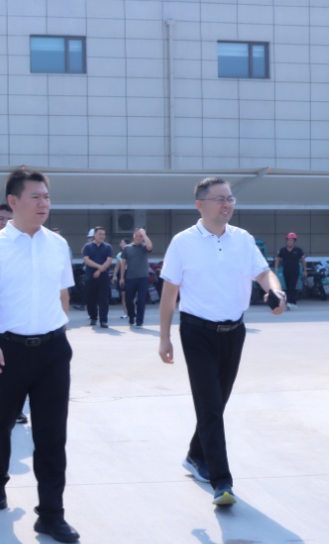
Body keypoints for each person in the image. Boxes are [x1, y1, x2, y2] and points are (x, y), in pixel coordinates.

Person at [159, 177, 285, 506]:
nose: (226, 204)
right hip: (196, 332)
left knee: (216, 404)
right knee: (211, 407)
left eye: (230, 198)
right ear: (200, 205)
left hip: (234, 332)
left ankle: (194, 455)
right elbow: (169, 294)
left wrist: (276, 290)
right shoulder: (183, 242)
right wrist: (164, 338)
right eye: (219, 199)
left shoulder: (243, 239)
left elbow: (263, 273)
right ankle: (222, 482)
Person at [0, 168, 79, 543]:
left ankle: (51, 513)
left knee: (52, 433)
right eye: (35, 196)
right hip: (7, 349)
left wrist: (60, 333)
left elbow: (63, 294)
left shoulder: (57, 245)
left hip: (52, 351)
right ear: (13, 201)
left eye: (46, 196)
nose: (43, 203)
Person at [82, 227, 113, 328]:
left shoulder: (108, 247)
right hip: (90, 277)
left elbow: (109, 260)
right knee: (90, 299)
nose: (102, 236)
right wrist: (99, 267)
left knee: (104, 299)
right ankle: (93, 317)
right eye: (100, 234)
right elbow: (86, 260)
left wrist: (100, 270)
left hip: (104, 277)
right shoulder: (88, 246)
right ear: (94, 235)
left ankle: (103, 320)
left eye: (103, 234)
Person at [122, 229, 153, 327]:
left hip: (143, 278)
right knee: (128, 300)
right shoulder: (127, 248)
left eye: (141, 236)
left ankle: (140, 321)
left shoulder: (144, 247)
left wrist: (144, 234)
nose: (138, 238)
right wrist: (122, 277)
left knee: (141, 300)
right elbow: (123, 263)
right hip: (130, 278)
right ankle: (131, 316)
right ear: (133, 236)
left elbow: (150, 246)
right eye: (137, 235)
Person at [275, 233, 306, 309]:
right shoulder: (282, 250)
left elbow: (303, 260)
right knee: (288, 287)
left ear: (294, 241)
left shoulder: (298, 250)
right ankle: (291, 303)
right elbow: (277, 259)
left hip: (295, 271)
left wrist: (305, 270)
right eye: (288, 240)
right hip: (286, 271)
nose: (289, 242)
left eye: (291, 240)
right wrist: (276, 268)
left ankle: (291, 303)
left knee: (292, 286)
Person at [112, 239, 129, 319]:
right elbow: (117, 266)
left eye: (123, 243)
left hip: (130, 274)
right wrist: (114, 276)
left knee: (131, 295)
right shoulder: (119, 254)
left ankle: (133, 312)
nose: (121, 244)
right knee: (123, 295)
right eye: (121, 243)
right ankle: (126, 313)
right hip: (122, 275)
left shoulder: (131, 253)